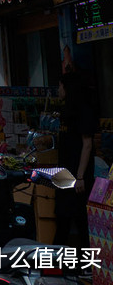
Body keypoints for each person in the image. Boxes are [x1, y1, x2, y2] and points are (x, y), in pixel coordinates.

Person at [55, 70, 98, 246]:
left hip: (78, 174)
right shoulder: (66, 110)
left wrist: (80, 176)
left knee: (80, 219)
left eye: (60, 86)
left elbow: (87, 145)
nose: (58, 90)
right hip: (64, 172)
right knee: (64, 217)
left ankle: (86, 266)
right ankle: (58, 264)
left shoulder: (84, 110)